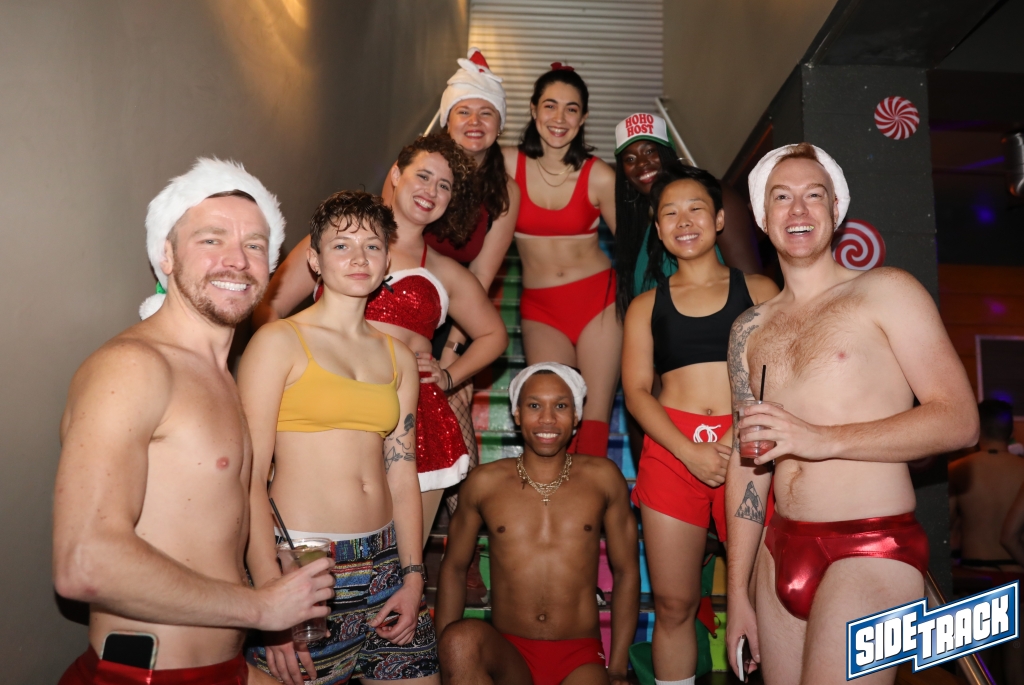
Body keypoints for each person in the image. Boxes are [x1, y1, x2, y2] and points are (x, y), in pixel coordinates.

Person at [53, 158, 335, 685]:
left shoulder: (221, 377)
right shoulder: (134, 367)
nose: (238, 260)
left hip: (225, 668)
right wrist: (262, 608)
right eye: (211, 240)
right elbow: (84, 563)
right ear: (166, 255)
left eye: (255, 245)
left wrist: (268, 581)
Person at [724, 143, 980, 685]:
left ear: (836, 210)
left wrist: (822, 438)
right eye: (782, 197)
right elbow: (747, 465)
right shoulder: (748, 330)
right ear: (763, 217)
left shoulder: (886, 291)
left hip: (869, 548)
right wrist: (737, 592)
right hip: (778, 551)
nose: (798, 210)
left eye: (814, 195)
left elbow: (959, 420)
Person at [254, 134, 508, 543]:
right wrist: (279, 374)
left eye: (444, 186)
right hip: (330, 400)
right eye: (423, 176)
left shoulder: (445, 270)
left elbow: (494, 334)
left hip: (416, 414)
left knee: (405, 551)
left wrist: (448, 376)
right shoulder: (337, 240)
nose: (431, 191)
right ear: (395, 174)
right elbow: (269, 305)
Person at [240, 191, 439, 684]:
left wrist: (413, 576)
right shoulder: (278, 342)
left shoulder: (397, 356)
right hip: (304, 563)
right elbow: (247, 478)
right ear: (315, 259)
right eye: (341, 245)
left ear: (387, 262)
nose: (358, 258)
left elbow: (402, 471)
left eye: (372, 246)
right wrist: (269, 595)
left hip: (387, 561)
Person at [622, 162, 778, 685]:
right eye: (670, 213)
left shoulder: (760, 289)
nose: (684, 221)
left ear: (719, 220)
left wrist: (733, 437)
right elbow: (636, 391)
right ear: (658, 228)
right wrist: (688, 450)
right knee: (673, 604)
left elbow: (778, 375)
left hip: (749, 446)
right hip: (672, 452)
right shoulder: (645, 306)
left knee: (763, 597)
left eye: (696, 209)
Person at [435, 363, 640, 685]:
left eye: (561, 406)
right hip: (510, 654)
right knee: (460, 640)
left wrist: (616, 667)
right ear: (517, 414)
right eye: (534, 406)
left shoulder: (603, 478)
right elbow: (454, 568)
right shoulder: (485, 482)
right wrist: (443, 657)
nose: (547, 418)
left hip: (580, 656)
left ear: (577, 415)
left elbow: (627, 571)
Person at [382, 48, 521, 516]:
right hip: (395, 306)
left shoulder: (505, 192)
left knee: (456, 424)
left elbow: (480, 277)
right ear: (447, 118)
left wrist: (452, 355)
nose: (475, 122)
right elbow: (383, 239)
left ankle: (462, 541)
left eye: (487, 113)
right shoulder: (413, 168)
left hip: (455, 315)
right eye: (464, 111)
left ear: (500, 125)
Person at [502, 65, 618, 458]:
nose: (559, 118)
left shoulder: (599, 175)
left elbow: (637, 249)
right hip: (541, 308)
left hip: (599, 302)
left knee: (594, 415)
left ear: (583, 118)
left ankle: (593, 496)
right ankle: (555, 495)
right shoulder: (507, 164)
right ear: (533, 109)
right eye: (550, 105)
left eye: (572, 109)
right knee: (553, 415)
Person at [612, 113, 762, 321]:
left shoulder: (717, 197)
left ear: (668, 153)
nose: (642, 163)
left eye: (650, 151)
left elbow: (754, 291)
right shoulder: (642, 230)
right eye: (630, 159)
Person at [951, 400, 1024, 574]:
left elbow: (945, 526)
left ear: (977, 430)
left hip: (976, 573)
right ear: (1011, 431)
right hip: (1017, 569)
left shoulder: (957, 470)